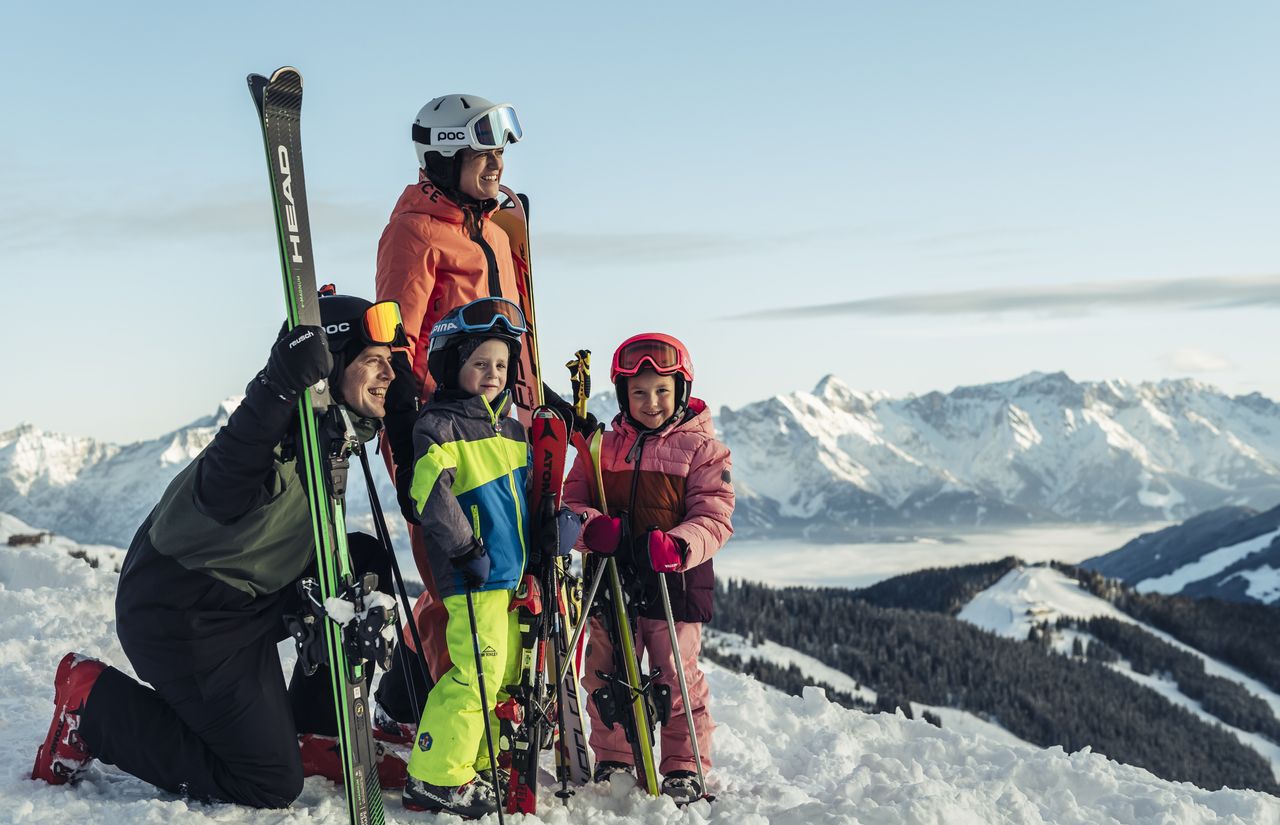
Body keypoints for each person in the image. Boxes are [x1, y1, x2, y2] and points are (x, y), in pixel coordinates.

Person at [31, 290, 410, 808]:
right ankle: (94, 707)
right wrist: (278, 383)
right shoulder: (273, 432)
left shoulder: (329, 435)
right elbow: (223, 484)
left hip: (246, 598)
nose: (388, 374)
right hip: (185, 615)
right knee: (270, 782)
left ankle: (315, 729)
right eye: (374, 362)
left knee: (361, 562)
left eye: (389, 363)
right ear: (329, 369)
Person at [374, 94, 529, 704]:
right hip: (436, 429)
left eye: (499, 151)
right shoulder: (413, 232)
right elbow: (396, 339)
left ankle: (405, 697)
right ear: (444, 155)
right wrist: (406, 432)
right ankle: (454, 717)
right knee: (455, 576)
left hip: (497, 428)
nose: (496, 163)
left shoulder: (494, 231)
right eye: (482, 151)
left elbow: (516, 337)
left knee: (496, 572)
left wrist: (533, 404)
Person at [562, 332, 734, 804]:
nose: (650, 402)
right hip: (610, 575)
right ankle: (614, 754)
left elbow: (715, 515)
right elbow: (571, 501)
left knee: (675, 674)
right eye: (638, 393)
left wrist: (678, 545)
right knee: (604, 669)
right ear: (622, 395)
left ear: (680, 389)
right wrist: (591, 528)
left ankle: (682, 763)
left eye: (661, 390)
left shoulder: (703, 450)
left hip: (672, 577)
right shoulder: (601, 448)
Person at [398, 298, 529, 818]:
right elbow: (428, 491)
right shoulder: (440, 426)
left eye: (500, 364)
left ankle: (475, 762)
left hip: (507, 576)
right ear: (453, 366)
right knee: (473, 672)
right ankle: (435, 776)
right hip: (472, 573)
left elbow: (525, 498)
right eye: (480, 363)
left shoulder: (513, 430)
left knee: (495, 677)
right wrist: (465, 548)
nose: (493, 373)